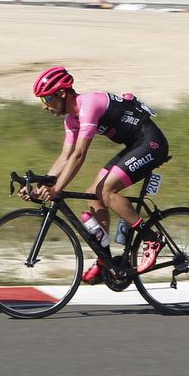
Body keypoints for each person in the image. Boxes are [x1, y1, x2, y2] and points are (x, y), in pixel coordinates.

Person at [27, 65, 171, 284]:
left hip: (151, 143)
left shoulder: (89, 105)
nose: (44, 106)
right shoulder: (71, 120)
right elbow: (65, 156)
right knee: (94, 194)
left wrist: (57, 189)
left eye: (46, 99)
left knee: (106, 191)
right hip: (135, 145)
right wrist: (41, 187)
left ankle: (152, 239)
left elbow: (79, 155)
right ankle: (105, 260)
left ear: (62, 93)